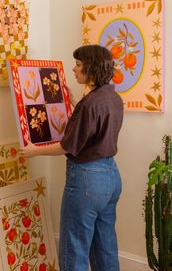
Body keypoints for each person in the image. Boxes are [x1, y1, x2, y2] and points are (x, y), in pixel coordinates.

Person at [19, 44, 124, 271]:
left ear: (91, 67)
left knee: (74, 247)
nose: (74, 69)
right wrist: (76, 102)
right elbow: (94, 122)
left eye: (78, 64)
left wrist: (33, 150)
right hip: (111, 177)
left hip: (88, 181)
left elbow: (67, 147)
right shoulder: (112, 97)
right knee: (105, 246)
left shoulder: (90, 104)